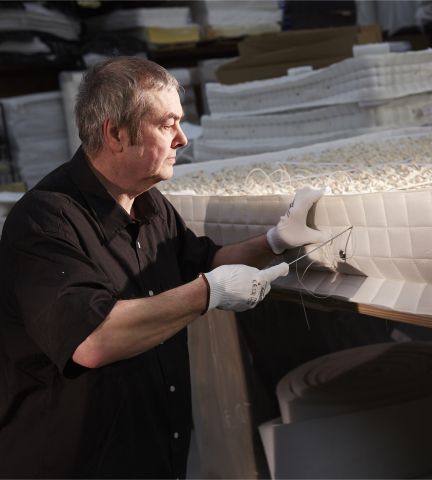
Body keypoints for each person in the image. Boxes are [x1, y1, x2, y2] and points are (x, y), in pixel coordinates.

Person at [0, 56, 329, 478]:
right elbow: (92, 339)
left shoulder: (150, 206)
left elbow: (206, 263)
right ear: (116, 134)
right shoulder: (45, 221)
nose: (183, 139)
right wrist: (209, 292)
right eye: (166, 124)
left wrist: (274, 242)